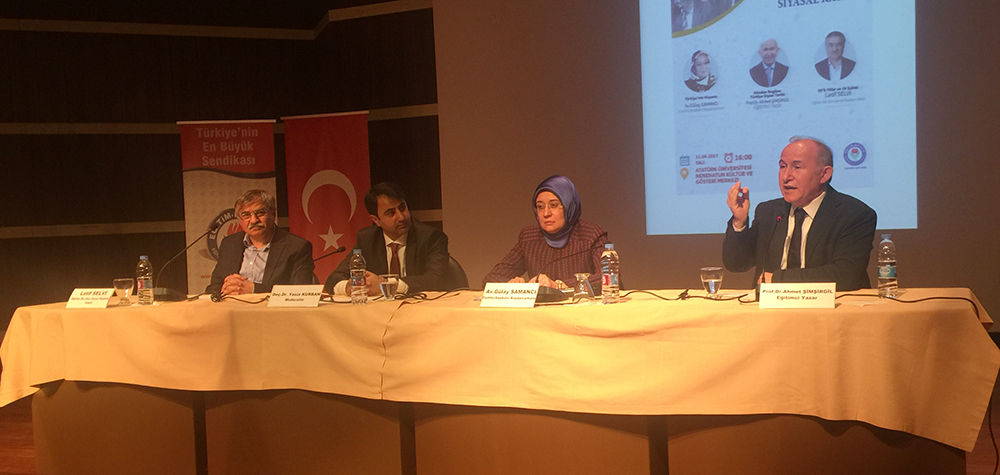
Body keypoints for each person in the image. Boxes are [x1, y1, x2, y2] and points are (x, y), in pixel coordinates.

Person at [722, 137, 876, 291]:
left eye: (797, 167)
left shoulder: (854, 215)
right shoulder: (769, 211)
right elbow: (737, 264)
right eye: (783, 166)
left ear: (824, 174)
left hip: (830, 305)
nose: (786, 176)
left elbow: (845, 276)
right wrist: (739, 221)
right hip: (772, 305)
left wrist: (777, 280)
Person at [483, 175, 608, 292]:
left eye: (553, 205)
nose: (546, 213)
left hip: (582, 306)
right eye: (540, 207)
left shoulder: (591, 235)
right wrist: (511, 285)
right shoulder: (529, 238)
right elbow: (491, 278)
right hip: (541, 308)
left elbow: (608, 277)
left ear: (569, 206)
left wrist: (559, 285)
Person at [325, 182, 450, 296]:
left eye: (402, 208)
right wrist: (349, 287)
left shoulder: (430, 237)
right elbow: (333, 279)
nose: (401, 217)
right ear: (376, 220)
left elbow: (436, 280)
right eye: (391, 213)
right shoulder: (367, 239)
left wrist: (385, 284)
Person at [207, 189, 315, 295]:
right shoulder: (229, 243)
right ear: (239, 220)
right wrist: (225, 288)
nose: (254, 220)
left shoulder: (296, 247)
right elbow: (214, 286)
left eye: (260, 213)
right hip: (232, 305)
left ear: (273, 215)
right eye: (246, 215)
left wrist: (254, 289)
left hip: (270, 307)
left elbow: (301, 293)